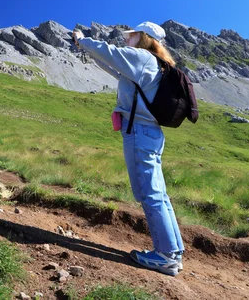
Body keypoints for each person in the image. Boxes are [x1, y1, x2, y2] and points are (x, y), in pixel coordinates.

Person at [72, 21, 184, 276]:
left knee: (149, 193)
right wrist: (86, 49)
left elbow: (111, 54)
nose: (128, 38)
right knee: (159, 193)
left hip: (139, 133)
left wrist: (83, 40)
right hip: (151, 133)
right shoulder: (156, 63)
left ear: (143, 38)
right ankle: (173, 252)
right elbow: (113, 66)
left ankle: (165, 256)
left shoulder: (142, 57)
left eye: (132, 35)